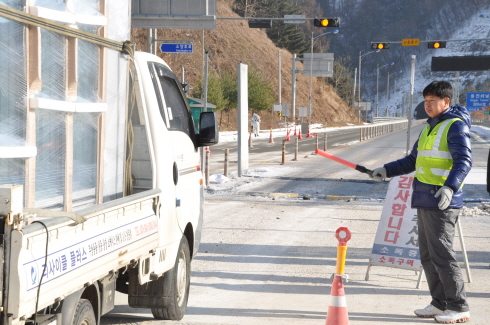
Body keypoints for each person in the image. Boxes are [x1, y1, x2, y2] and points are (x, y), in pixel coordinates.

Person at [370, 81, 472, 324]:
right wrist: (386, 169)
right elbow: (412, 160)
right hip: (424, 198)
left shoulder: (455, 127)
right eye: (425, 101)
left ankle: (459, 307)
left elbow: (464, 161)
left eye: (432, 101)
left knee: (443, 255)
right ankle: (439, 303)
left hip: (442, 200)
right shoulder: (428, 128)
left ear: (446, 102)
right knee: (427, 255)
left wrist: (450, 187)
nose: (427, 105)